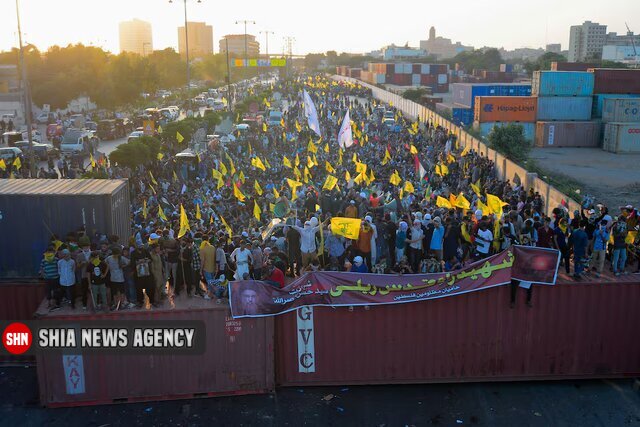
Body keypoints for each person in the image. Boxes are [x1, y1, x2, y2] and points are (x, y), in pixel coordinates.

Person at [40, 246, 60, 311]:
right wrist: (43, 276)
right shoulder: (46, 260)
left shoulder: (54, 259)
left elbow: (42, 269)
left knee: (52, 291)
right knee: (52, 291)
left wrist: (44, 276)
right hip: (52, 278)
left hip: (52, 278)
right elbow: (42, 269)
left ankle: (52, 304)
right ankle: (51, 304)